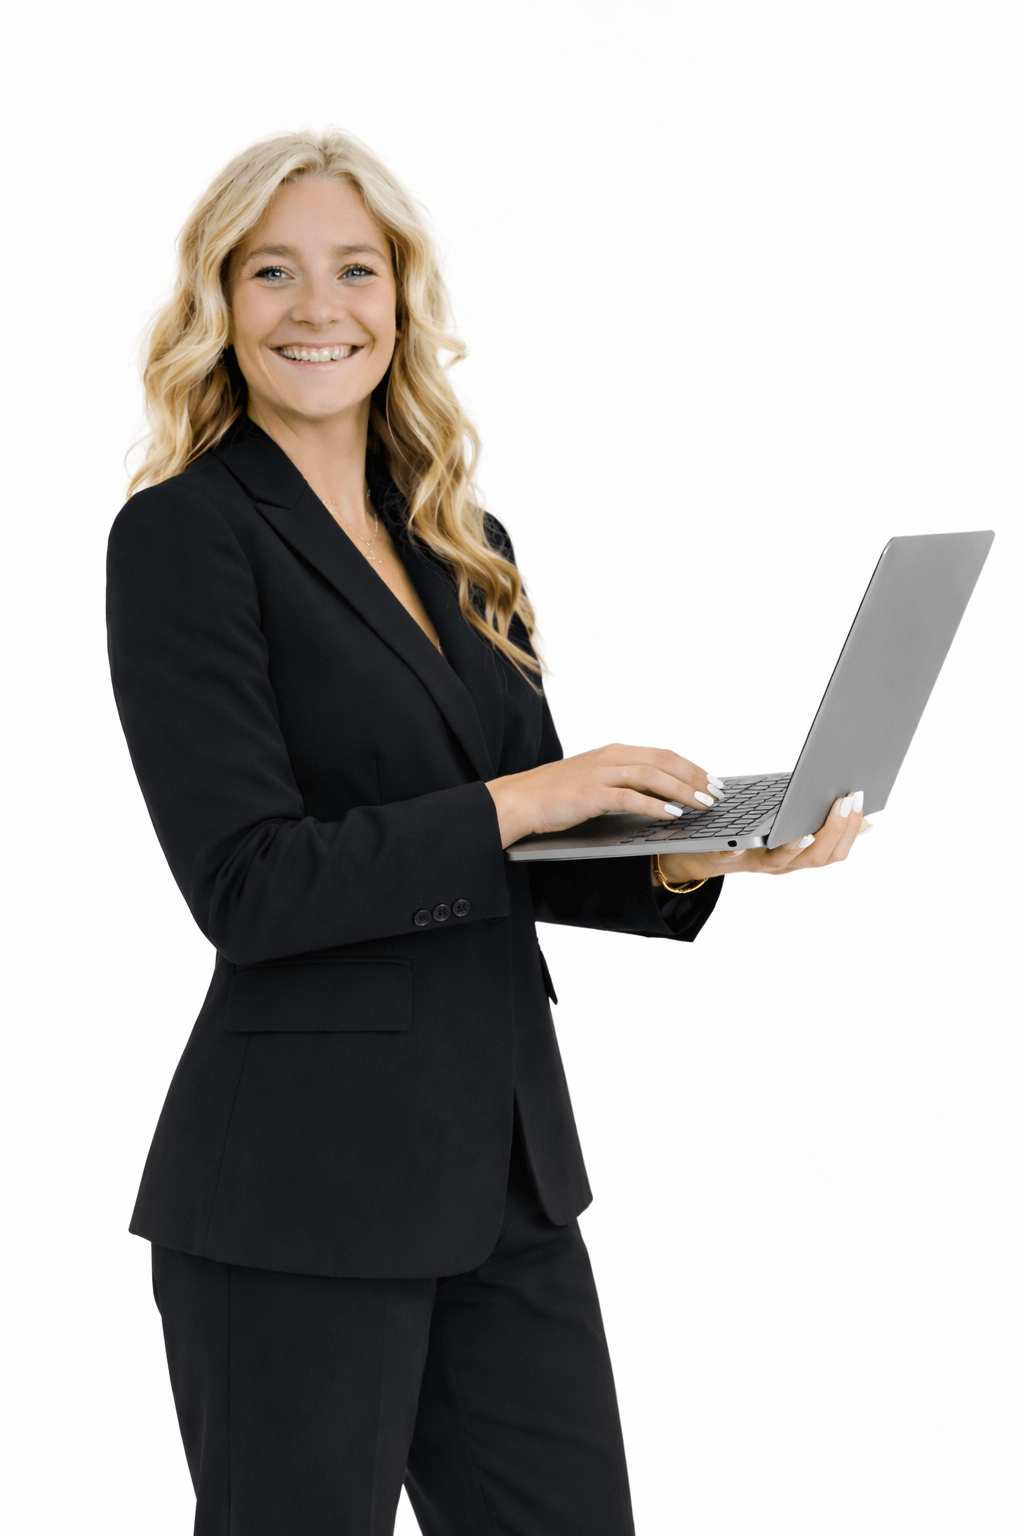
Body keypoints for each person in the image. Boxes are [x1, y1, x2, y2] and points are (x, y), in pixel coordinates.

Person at [106, 129, 868, 1536]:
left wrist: (705, 853)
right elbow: (250, 885)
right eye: (273, 272)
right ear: (220, 302)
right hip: (296, 1198)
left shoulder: (463, 535)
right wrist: (531, 798)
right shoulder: (182, 536)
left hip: (503, 1174)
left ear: (401, 296)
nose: (317, 308)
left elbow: (515, 854)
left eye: (354, 268)